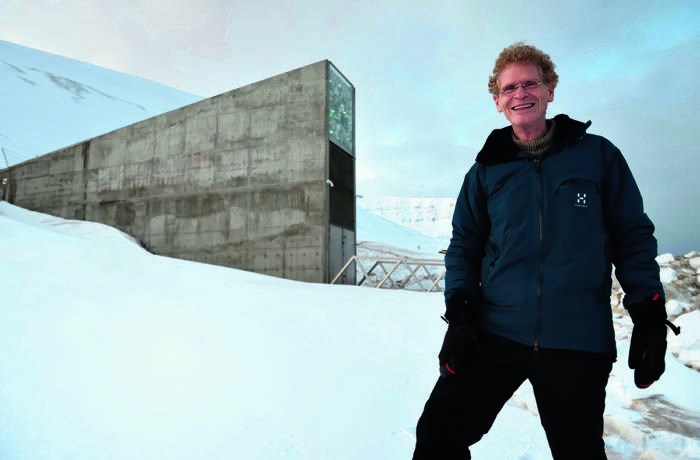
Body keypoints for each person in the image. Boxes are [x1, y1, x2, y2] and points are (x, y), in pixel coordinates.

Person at [412, 42, 680, 460]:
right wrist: (460, 309)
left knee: (579, 453)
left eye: (529, 83)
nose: (520, 94)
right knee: (437, 435)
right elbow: (464, 244)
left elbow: (632, 236)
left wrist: (648, 312)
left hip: (575, 338)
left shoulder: (598, 156)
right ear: (498, 102)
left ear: (550, 90)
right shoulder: (486, 170)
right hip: (496, 331)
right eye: (508, 88)